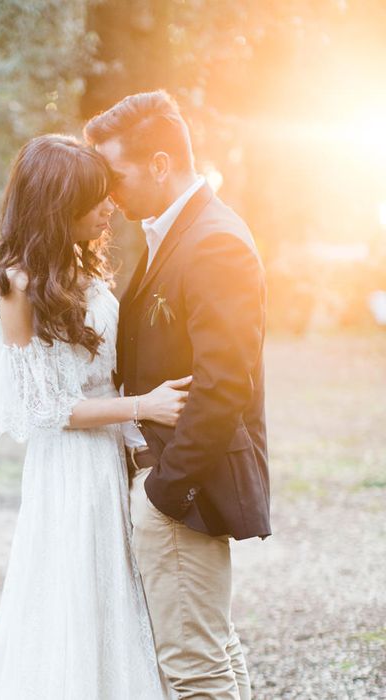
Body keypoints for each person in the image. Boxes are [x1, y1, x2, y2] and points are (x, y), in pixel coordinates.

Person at [0, 134, 187, 699]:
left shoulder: (77, 263)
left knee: (118, 597)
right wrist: (143, 405)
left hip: (112, 453)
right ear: (58, 205)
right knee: (77, 599)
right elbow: (42, 408)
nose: (109, 207)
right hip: (71, 467)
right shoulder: (19, 282)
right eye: (94, 199)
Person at [84, 90, 270, 700]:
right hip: (171, 484)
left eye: (116, 174)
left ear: (160, 164)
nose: (108, 191)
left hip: (180, 490)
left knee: (193, 672)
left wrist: (167, 491)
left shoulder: (213, 240)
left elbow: (224, 386)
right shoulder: (173, 231)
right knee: (213, 654)